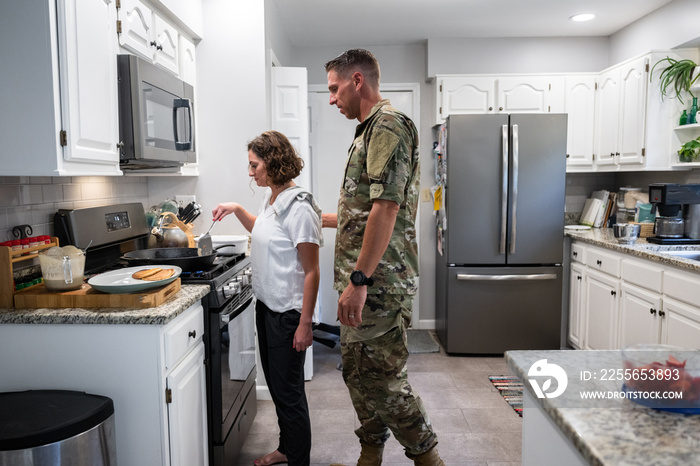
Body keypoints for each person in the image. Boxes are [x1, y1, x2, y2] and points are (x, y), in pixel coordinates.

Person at [323, 49, 445, 466]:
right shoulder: (366, 130)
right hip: (362, 281)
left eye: (334, 88)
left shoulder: (388, 125)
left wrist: (359, 282)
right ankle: (370, 453)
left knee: (386, 382)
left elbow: (387, 208)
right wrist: (319, 217)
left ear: (358, 81)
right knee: (358, 375)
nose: (331, 98)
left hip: (377, 284)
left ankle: (429, 458)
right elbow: (364, 210)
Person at [212, 130, 321, 466]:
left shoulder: (299, 206)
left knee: (289, 395)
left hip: (288, 315)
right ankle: (286, 449)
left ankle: (298, 458)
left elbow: (312, 271)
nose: (250, 172)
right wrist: (237, 209)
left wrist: (305, 324)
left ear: (272, 163)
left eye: (253, 165)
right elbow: (264, 229)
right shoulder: (273, 198)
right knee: (277, 388)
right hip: (267, 309)